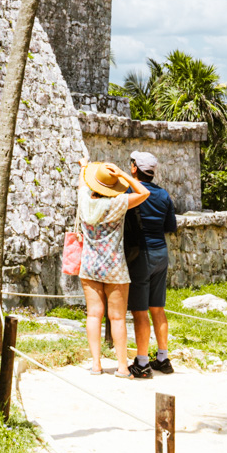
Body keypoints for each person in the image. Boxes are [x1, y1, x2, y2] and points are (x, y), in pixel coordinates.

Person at [77, 157, 151, 378]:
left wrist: (84, 167)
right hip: (114, 267)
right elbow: (143, 193)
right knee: (117, 318)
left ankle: (96, 365)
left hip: (89, 265)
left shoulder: (84, 201)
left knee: (93, 315)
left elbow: (82, 185)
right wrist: (122, 174)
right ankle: (121, 366)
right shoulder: (117, 203)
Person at [126, 149, 177, 377]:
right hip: (161, 253)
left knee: (139, 311)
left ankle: (142, 362)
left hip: (141, 255)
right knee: (158, 308)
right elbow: (170, 227)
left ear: (135, 168)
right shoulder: (164, 195)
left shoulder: (131, 191)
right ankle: (163, 359)